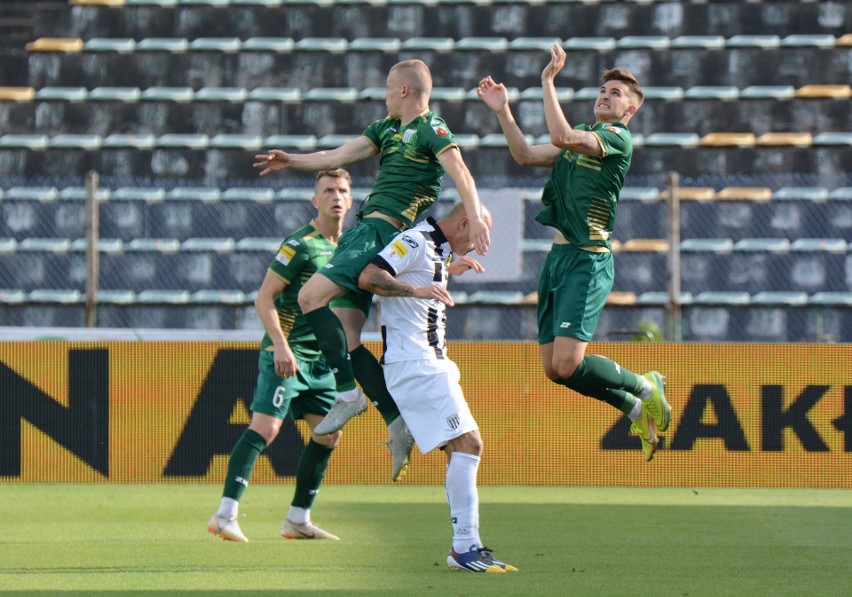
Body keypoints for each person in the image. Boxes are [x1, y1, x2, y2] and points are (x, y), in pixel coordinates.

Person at [253, 59, 490, 480]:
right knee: (346, 334)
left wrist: (478, 219)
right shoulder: (387, 129)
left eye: (386, 87)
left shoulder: (431, 128)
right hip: (376, 233)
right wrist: (293, 160)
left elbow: (462, 174)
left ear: (403, 91)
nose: (383, 94)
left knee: (309, 297)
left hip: (378, 229)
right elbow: (339, 154)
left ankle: (347, 394)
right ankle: (397, 421)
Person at [477, 44, 671, 461]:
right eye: (604, 88)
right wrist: (502, 111)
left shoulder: (616, 139)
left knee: (567, 362)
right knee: (554, 369)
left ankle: (645, 385)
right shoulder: (584, 137)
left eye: (617, 93)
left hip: (588, 259)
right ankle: (635, 407)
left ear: (630, 110)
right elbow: (526, 155)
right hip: (558, 260)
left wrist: (547, 80)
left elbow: (560, 136)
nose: (606, 94)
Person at [358, 203, 517, 573]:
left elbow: (423, 277)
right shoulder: (414, 240)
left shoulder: (438, 251)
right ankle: (464, 549)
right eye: (479, 234)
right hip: (417, 364)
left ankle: (467, 546)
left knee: (465, 446)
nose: (480, 245)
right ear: (464, 222)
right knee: (470, 443)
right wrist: (415, 290)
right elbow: (368, 277)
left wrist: (448, 271)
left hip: (431, 362)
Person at [208, 169, 354, 543]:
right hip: (286, 353)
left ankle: (298, 519)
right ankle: (225, 514)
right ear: (315, 200)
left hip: (320, 361)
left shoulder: (349, 245)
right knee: (267, 428)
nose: (335, 196)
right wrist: (281, 346)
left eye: (342, 190)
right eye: (327, 190)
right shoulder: (300, 244)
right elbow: (264, 297)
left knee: (328, 435)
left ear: (350, 200)